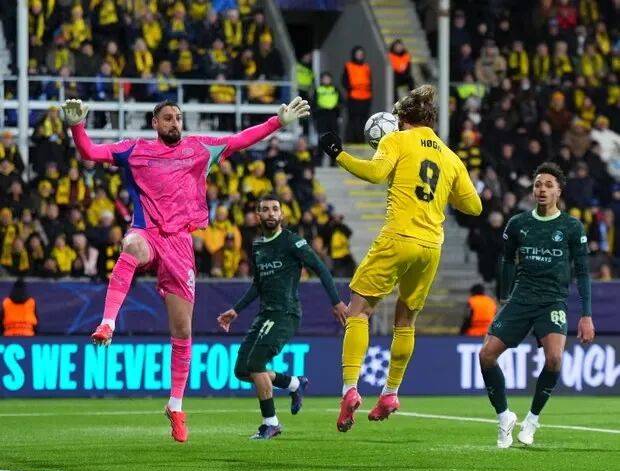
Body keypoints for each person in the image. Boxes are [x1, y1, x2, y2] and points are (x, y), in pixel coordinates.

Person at [61, 95, 309, 443]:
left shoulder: (199, 149)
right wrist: (77, 126)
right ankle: (107, 323)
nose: (174, 122)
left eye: (178, 117)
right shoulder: (135, 150)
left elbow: (240, 140)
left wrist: (277, 123)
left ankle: (175, 406)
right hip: (148, 231)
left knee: (182, 331)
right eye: (167, 117)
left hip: (179, 244)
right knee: (131, 246)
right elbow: (89, 152)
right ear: (155, 123)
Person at [319, 85, 482, 432]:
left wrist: (338, 154)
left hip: (398, 236)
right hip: (431, 247)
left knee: (358, 311)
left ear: (403, 118)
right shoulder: (450, 156)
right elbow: (474, 206)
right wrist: (444, 193)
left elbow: (375, 174)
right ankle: (390, 393)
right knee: (406, 321)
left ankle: (350, 389)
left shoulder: (396, 140)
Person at [479, 162, 595, 448]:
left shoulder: (571, 226)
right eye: (538, 185)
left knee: (554, 359)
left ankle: (531, 420)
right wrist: (504, 297)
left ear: (558, 191)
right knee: (486, 356)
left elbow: (582, 272)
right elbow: (507, 260)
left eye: (548, 185)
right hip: (521, 298)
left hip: (552, 301)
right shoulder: (518, 224)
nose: (542, 189)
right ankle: (504, 416)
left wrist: (586, 315)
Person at [217, 194, 347, 440]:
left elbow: (320, 268)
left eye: (275, 209)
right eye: (265, 209)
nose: (271, 213)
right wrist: (236, 310)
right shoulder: (258, 246)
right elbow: (258, 284)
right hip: (265, 314)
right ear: (258, 215)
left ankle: (271, 423)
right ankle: (294, 384)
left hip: (286, 313)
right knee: (242, 370)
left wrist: (336, 302)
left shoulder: (291, 241)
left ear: (282, 215)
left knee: (256, 364)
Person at [342, 46, 372, 143]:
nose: (359, 56)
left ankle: (361, 139)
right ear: (354, 55)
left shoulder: (366, 67)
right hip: (353, 97)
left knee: (363, 120)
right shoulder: (348, 66)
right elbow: (344, 81)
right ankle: (350, 139)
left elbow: (370, 82)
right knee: (353, 119)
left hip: (366, 97)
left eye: (361, 54)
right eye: (358, 54)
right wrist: (351, 88)